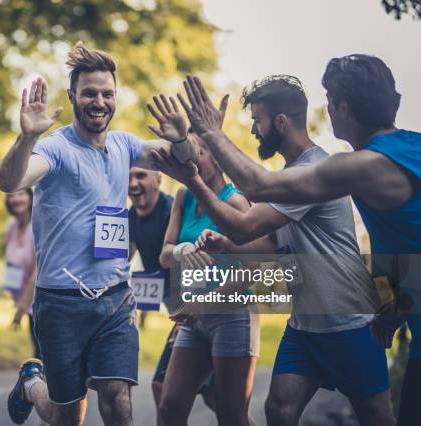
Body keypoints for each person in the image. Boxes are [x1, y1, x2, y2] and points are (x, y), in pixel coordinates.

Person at [178, 56, 420, 426]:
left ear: (343, 107)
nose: (326, 108)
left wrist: (210, 137)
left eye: (329, 99)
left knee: (378, 416)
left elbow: (254, 195)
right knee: (278, 409)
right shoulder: (400, 153)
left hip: (345, 322)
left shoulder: (349, 167)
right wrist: (393, 308)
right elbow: (399, 243)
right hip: (307, 324)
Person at [0, 42, 198, 426]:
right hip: (60, 304)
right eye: (89, 93)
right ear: (72, 96)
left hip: (115, 300)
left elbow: (188, 162)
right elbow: (10, 181)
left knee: (117, 400)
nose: (99, 101)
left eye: (107, 94)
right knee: (66, 417)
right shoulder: (55, 148)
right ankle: (31, 383)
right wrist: (26, 138)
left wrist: (181, 139)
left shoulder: (125, 145)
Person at [155, 131, 258, 426]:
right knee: (170, 406)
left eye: (197, 151)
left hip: (232, 316)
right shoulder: (184, 195)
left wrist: (206, 301)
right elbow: (165, 255)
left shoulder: (236, 201)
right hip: (194, 321)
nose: (190, 158)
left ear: (216, 155)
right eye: (185, 152)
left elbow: (253, 268)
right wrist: (182, 251)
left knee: (230, 415)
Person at [127, 167, 174, 422]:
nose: (132, 183)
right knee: (218, 400)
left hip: (201, 310)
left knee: (162, 386)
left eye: (140, 176)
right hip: (182, 314)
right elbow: (121, 261)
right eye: (128, 177)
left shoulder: (172, 210)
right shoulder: (132, 216)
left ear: (159, 179)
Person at [3, 189, 40, 359]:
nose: (16, 199)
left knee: (41, 353)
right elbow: (11, 265)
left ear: (31, 197)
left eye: (21, 194)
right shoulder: (11, 226)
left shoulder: (37, 226)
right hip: (24, 301)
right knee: (36, 348)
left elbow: (36, 274)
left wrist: (21, 308)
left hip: (38, 301)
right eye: (12, 194)